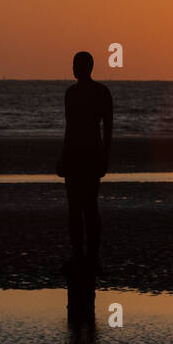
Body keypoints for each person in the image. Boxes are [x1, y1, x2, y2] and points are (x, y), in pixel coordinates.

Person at [57, 51, 113, 273]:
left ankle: (90, 257)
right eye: (73, 63)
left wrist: (105, 155)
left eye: (76, 64)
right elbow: (70, 128)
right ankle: (81, 256)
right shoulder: (74, 93)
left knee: (86, 207)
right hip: (78, 155)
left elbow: (107, 127)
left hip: (88, 155)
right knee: (79, 208)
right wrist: (63, 155)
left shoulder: (97, 93)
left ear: (86, 67)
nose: (73, 68)